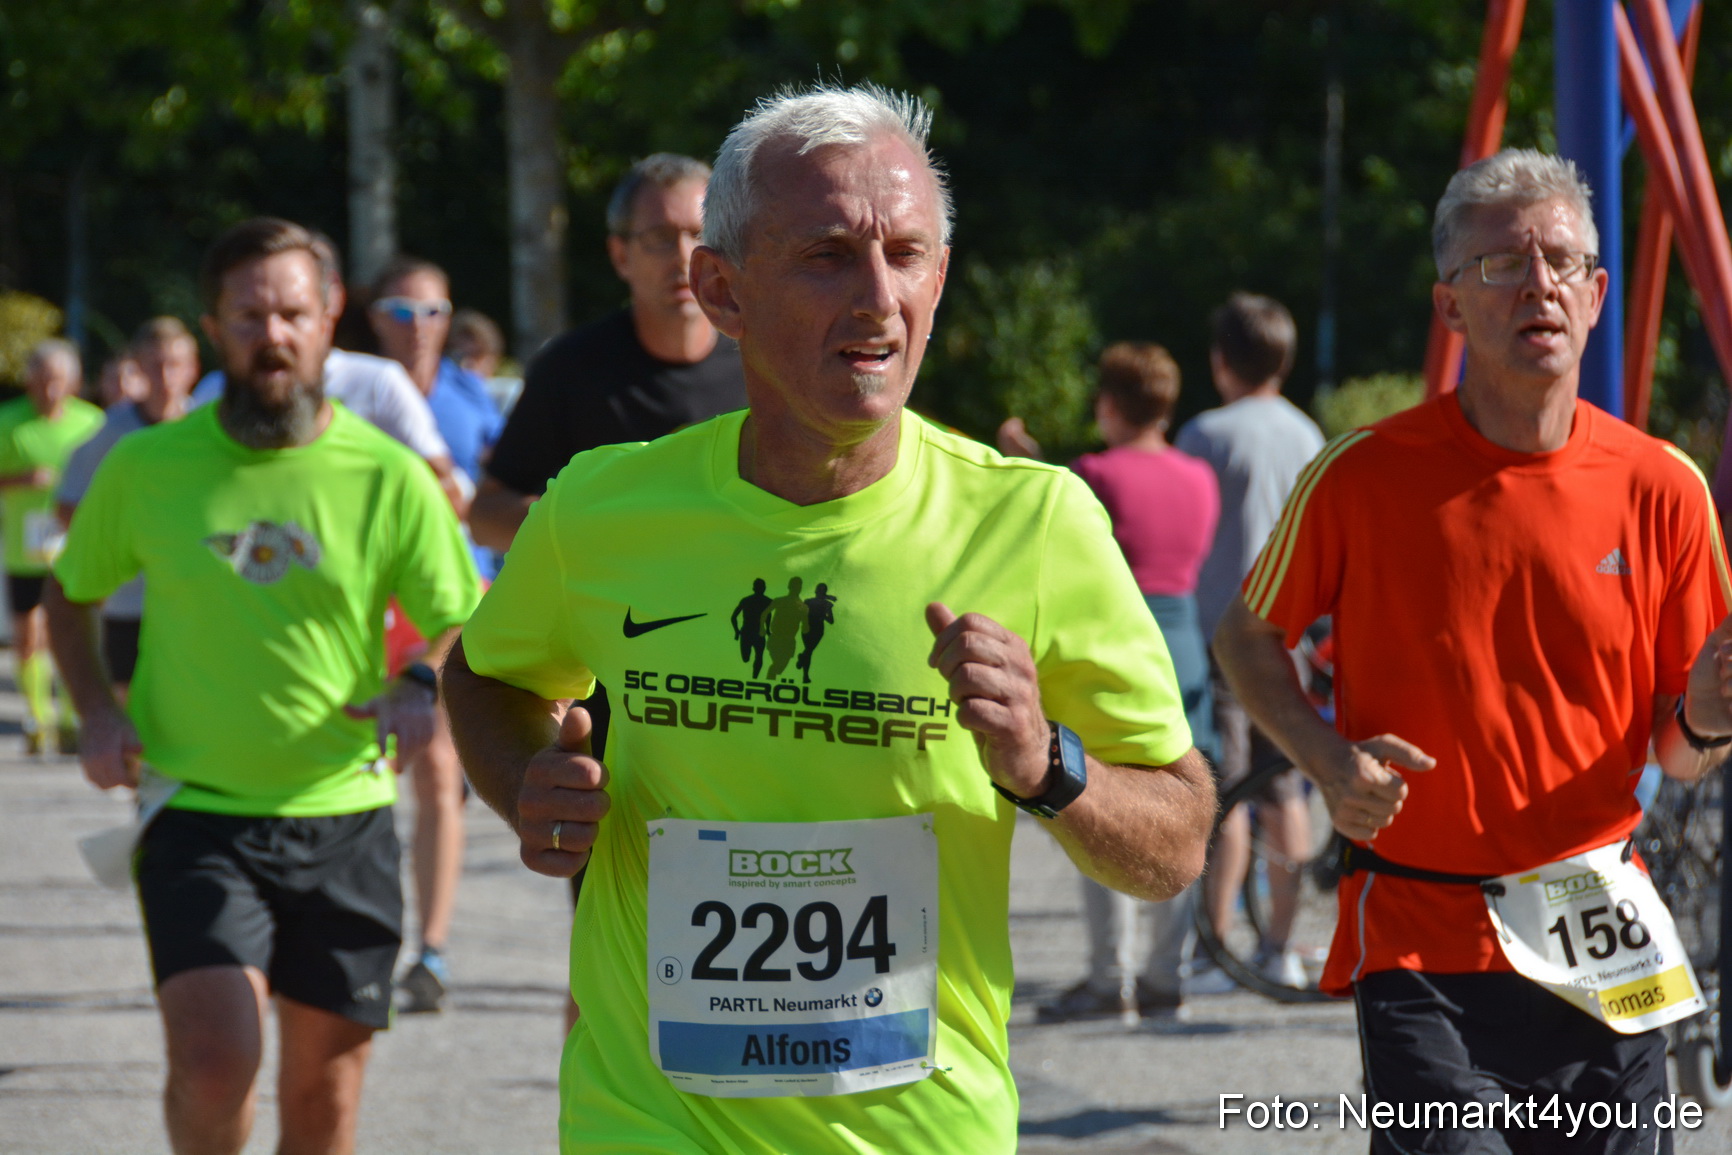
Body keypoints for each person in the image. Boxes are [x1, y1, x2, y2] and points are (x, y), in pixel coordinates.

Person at [444, 82, 1215, 1155]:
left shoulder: (1033, 523)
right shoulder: (599, 506)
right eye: (825, 256)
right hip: (647, 1122)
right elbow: (486, 675)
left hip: (917, 1132)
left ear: (938, 281)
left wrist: (1046, 765)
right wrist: (524, 784)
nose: (876, 300)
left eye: (905, 256)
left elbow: (1175, 841)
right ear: (721, 288)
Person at [1215, 149, 1732, 1154]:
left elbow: (1682, 750)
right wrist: (1325, 759)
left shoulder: (1662, 488)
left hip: (1600, 928)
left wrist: (1712, 715)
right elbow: (1245, 635)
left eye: (1559, 261)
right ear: (1450, 307)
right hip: (1420, 935)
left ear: (1595, 293)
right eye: (1501, 264)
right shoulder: (1362, 477)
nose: (1535, 282)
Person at [45, 217, 481, 1155]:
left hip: (346, 812)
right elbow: (68, 590)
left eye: (291, 311)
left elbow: (459, 610)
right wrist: (94, 709)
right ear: (214, 326)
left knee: (323, 1103)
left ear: (329, 319)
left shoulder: (386, 473)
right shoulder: (150, 467)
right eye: (249, 314)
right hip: (195, 809)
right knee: (214, 1060)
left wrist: (418, 680)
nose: (272, 334)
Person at [467, 151, 749, 1030]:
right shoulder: (574, 369)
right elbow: (487, 510)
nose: (680, 255)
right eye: (657, 237)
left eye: (698, 232)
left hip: (753, 685)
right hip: (617, 707)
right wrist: (585, 530)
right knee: (613, 958)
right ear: (619, 254)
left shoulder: (764, 362)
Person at [1038, 341, 1220, 1024]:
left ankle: (1106, 974)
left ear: (1108, 405)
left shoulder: (1093, 473)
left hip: (1117, 643)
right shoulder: (1199, 475)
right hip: (1184, 642)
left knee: (1099, 806)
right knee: (1180, 804)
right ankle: (1163, 974)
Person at [1174, 291, 1324, 990]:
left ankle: (1216, 946)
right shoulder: (1307, 434)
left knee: (1225, 792)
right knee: (1286, 788)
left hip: (1222, 635)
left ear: (1220, 360)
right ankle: (1283, 948)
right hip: (1289, 632)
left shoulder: (1207, 433)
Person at [367, 254, 504, 1012]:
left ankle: (433, 950)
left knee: (437, 765)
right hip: (362, 604)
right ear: (372, 318)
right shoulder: (350, 394)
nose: (418, 327)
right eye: (401, 310)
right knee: (365, 768)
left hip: (453, 600)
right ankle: (363, 929)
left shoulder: (470, 395)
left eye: (433, 311)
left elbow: (501, 495)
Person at [56, 317, 201, 702]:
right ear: (138, 366)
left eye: (175, 364)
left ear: (193, 368)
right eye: (155, 364)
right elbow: (68, 505)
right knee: (130, 711)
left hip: (192, 596)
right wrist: (111, 548)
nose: (166, 375)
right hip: (128, 600)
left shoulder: (209, 429)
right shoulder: (112, 432)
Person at [0, 339, 104, 753]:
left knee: (75, 630)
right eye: (41, 382)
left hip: (75, 545)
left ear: (73, 382)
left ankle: (69, 717)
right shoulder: (9, 421)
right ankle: (37, 718)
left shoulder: (93, 423)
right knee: (29, 636)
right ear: (29, 382)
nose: (49, 391)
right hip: (24, 548)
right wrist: (20, 481)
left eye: (57, 382)